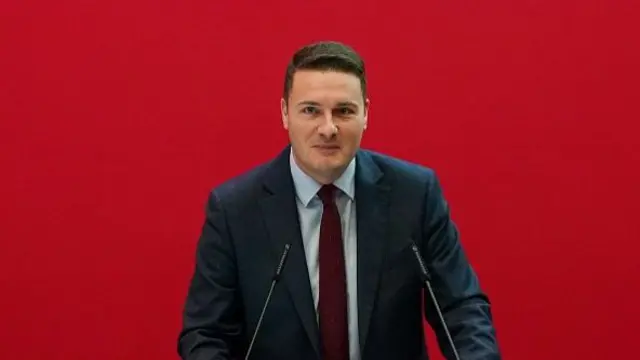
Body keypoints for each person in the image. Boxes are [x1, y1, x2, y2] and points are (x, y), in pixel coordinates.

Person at [177, 41, 501, 360]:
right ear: (285, 113)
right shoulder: (235, 210)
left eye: (344, 111)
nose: (328, 128)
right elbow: (206, 334)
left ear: (366, 114)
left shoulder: (414, 195)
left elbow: (461, 309)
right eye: (311, 111)